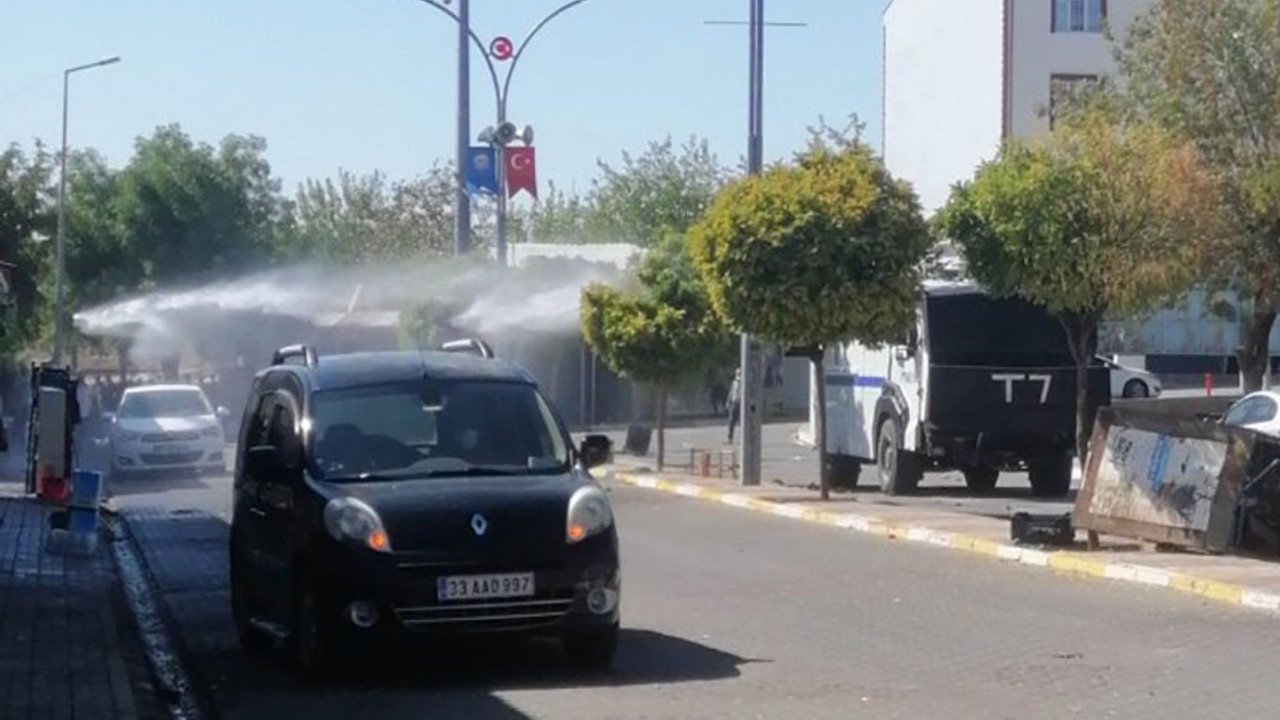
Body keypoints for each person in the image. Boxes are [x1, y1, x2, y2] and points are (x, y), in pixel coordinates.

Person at [726, 368, 742, 443]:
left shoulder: (744, 383)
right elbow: (731, 392)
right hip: (734, 402)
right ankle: (730, 438)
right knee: (731, 421)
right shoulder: (734, 382)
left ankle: (742, 438)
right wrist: (728, 401)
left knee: (741, 422)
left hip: (740, 403)